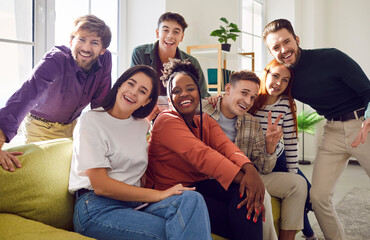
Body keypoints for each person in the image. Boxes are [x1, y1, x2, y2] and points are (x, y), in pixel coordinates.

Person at [68, 65, 212, 240]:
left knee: (192, 199)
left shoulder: (141, 124)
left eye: (142, 91)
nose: (133, 92)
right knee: (173, 232)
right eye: (130, 84)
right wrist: (159, 195)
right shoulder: (91, 120)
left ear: (146, 101)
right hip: (96, 208)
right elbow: (101, 186)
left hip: (134, 205)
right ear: (120, 85)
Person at [263, 18, 370, 240]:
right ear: (271, 52)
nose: (283, 50)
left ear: (297, 39)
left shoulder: (332, 57)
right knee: (318, 197)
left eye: (287, 42)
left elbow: (368, 90)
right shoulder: (285, 78)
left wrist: (368, 119)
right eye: (276, 47)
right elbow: (259, 89)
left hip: (362, 124)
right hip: (331, 131)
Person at [146, 59, 265, 240]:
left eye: (190, 88)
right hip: (171, 194)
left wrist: (250, 170)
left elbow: (226, 146)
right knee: (241, 211)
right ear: (169, 97)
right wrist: (247, 179)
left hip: (196, 186)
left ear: (198, 90)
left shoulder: (204, 120)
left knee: (243, 196)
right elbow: (203, 155)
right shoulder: (166, 120)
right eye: (176, 91)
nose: (184, 94)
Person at [0, 15, 112, 172]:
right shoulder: (55, 59)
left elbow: (101, 103)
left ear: (102, 50)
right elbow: (27, 94)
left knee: (71, 179)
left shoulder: (105, 59)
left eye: (94, 43)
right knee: (41, 175)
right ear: (71, 41)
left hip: (74, 128)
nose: (86, 48)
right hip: (40, 128)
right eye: (81, 39)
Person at [204, 70, 308, 240]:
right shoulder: (203, 110)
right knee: (259, 193)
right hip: (217, 178)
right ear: (228, 89)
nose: (248, 101)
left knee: (298, 184)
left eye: (252, 97)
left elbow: (264, 168)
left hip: (249, 173)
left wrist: (270, 146)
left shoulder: (252, 123)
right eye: (244, 93)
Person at [248, 60, 317, 240]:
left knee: (310, 195)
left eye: (285, 80)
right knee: (303, 193)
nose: (279, 83)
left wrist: (293, 172)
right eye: (276, 76)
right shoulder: (252, 99)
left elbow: (291, 141)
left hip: (280, 158)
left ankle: (309, 234)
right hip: (257, 160)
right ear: (266, 74)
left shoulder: (285, 103)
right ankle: (310, 234)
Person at [131, 12, 209, 120]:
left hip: (180, 116)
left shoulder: (192, 62)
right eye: (165, 30)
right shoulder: (140, 53)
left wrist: (215, 101)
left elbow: (202, 96)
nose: (170, 36)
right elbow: (134, 88)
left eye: (176, 32)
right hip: (146, 112)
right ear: (157, 33)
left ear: (181, 37)